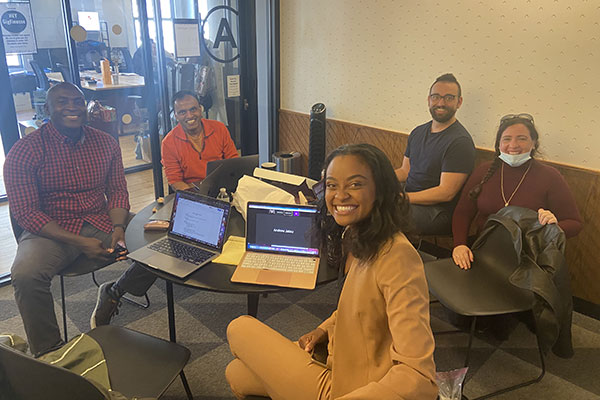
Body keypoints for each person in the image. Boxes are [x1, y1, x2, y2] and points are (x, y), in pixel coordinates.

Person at [225, 144, 438, 399]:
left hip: (353, 386)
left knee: (239, 328)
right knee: (236, 372)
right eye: (332, 185)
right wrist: (323, 330)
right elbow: (356, 308)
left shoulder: (398, 257)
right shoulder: (357, 235)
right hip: (337, 361)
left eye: (355, 184)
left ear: (380, 190)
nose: (340, 195)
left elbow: (419, 375)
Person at [4, 83, 156, 357]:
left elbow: (118, 191)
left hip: (101, 220)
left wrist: (120, 229)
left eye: (78, 101)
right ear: (47, 109)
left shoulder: (105, 143)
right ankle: (50, 354)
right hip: (50, 230)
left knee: (160, 241)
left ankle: (116, 291)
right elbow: (26, 212)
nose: (72, 107)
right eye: (63, 102)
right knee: (26, 275)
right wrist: (79, 242)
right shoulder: (24, 151)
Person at [452, 113, 583, 269]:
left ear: (534, 143)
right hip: (484, 252)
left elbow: (575, 224)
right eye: (506, 139)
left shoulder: (550, 176)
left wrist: (552, 226)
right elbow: (463, 213)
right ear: (499, 144)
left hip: (529, 261)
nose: (513, 145)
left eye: (522, 138)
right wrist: (459, 245)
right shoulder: (484, 171)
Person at [395, 73, 475, 235]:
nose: (441, 103)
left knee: (384, 214)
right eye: (436, 96)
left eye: (449, 98)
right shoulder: (417, 132)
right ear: (428, 99)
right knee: (365, 199)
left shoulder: (460, 142)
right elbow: (405, 171)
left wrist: (402, 198)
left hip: (438, 211)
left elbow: (446, 192)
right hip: (409, 198)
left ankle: (393, 259)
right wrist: (375, 179)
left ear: (459, 102)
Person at [161, 90, 238, 191]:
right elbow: (175, 180)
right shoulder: (168, 143)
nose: (189, 115)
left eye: (193, 109)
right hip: (191, 191)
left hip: (222, 188)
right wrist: (198, 198)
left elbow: (234, 162)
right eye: (182, 112)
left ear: (200, 109)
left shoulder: (219, 128)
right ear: (176, 116)